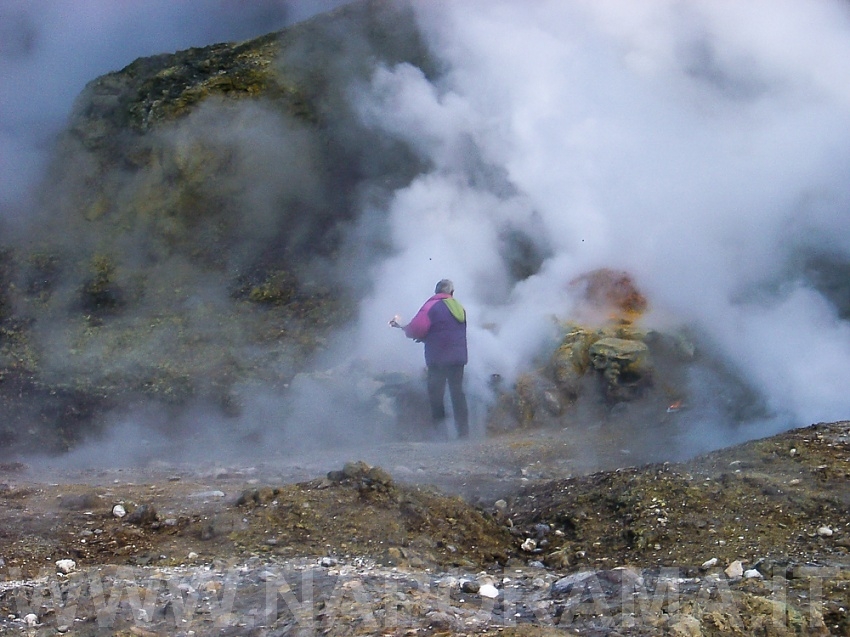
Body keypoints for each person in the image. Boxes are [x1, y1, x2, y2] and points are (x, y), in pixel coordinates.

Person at [391, 279, 469, 438]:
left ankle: (442, 436)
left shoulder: (431, 306)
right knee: (457, 394)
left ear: (436, 292)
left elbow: (416, 329)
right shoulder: (459, 308)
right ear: (451, 293)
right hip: (458, 358)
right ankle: (464, 434)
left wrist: (406, 329)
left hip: (438, 359)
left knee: (436, 395)